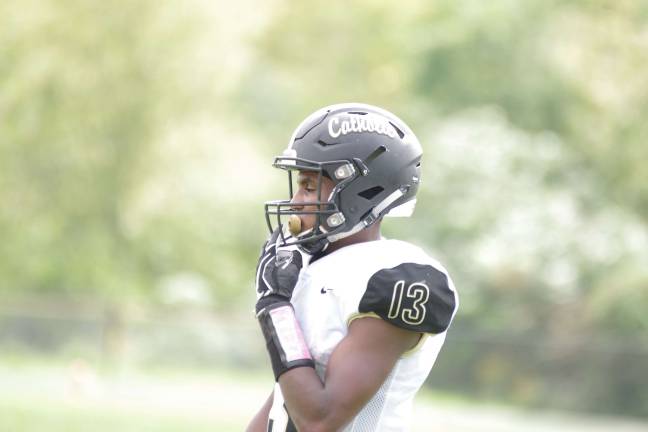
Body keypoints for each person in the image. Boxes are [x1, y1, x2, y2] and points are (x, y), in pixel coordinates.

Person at [247, 103, 459, 432]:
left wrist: (273, 307)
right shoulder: (317, 269)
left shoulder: (398, 276)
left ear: (359, 189)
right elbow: (283, 403)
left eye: (308, 185)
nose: (295, 202)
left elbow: (321, 419)